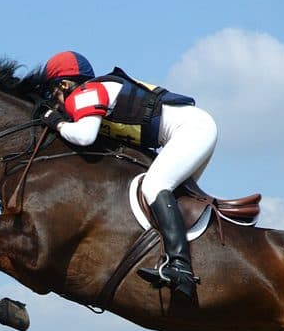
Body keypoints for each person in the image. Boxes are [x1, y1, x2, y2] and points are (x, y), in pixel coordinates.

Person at [40, 50, 218, 299]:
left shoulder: (85, 93)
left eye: (54, 93)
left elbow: (84, 136)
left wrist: (55, 121)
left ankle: (180, 267)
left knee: (154, 186)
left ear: (64, 84)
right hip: (192, 129)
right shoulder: (93, 93)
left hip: (192, 130)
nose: (57, 102)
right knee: (169, 202)